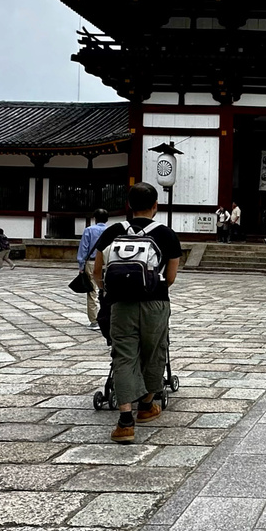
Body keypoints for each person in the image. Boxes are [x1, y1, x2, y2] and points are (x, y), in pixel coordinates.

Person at [92, 182, 181, 444]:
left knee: (123, 356)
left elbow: (98, 274)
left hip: (121, 305)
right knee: (154, 351)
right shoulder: (166, 234)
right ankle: (146, 406)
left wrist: (111, 290)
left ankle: (125, 423)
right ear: (156, 206)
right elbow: (171, 278)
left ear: (129, 206)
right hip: (155, 303)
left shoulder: (113, 231)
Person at [77, 208, 109, 329]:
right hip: (107, 262)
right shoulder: (110, 231)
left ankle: (94, 321)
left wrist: (81, 265)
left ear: (95, 218)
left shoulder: (89, 230)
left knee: (92, 292)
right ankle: (108, 316)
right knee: (108, 290)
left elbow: (84, 248)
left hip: (92, 262)